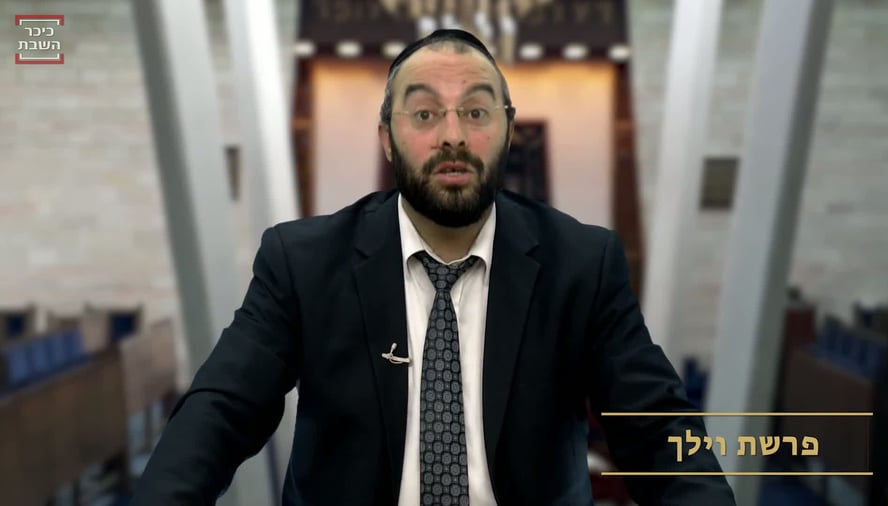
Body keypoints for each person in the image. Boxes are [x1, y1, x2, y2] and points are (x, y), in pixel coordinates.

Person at [132, 29, 735, 506]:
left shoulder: (581, 264)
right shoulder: (304, 262)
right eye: (424, 114)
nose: (453, 136)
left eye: (476, 113)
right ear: (387, 138)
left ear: (507, 130)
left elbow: (657, 428)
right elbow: (220, 411)